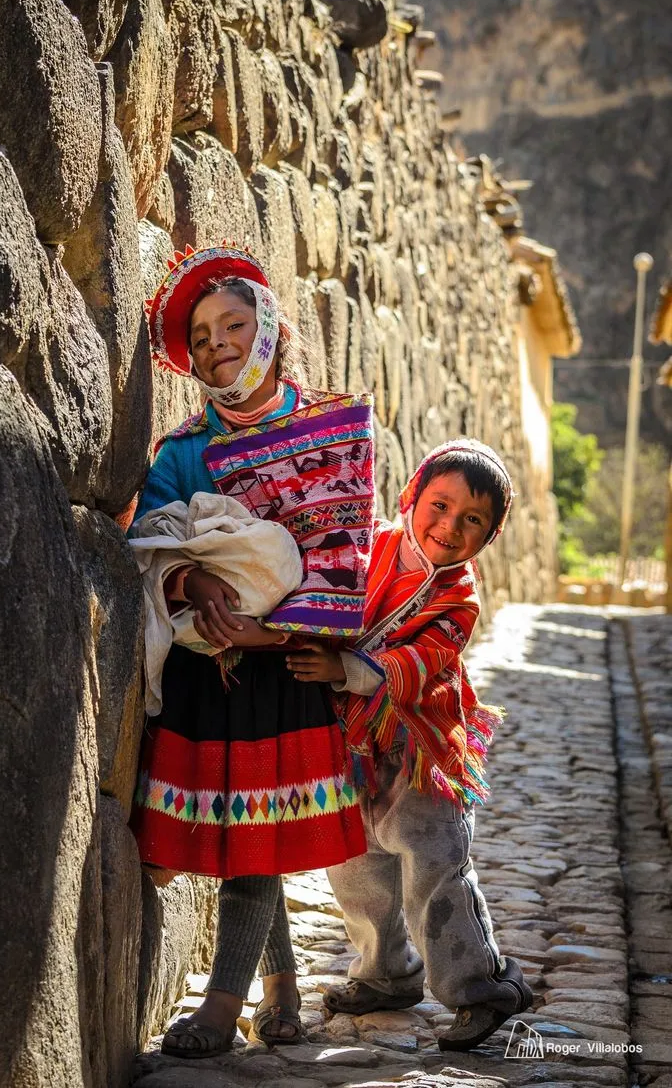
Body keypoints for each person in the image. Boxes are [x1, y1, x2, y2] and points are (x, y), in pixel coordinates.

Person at [130, 243, 372, 1059]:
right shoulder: (181, 450)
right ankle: (282, 986)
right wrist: (191, 583)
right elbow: (153, 539)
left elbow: (343, 550)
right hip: (213, 666)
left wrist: (274, 629)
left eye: (232, 322)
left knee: (255, 836)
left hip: (287, 663)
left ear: (268, 325)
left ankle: (221, 1001)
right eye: (199, 337)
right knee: (246, 832)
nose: (217, 343)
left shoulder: (329, 431)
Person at [286, 439, 533, 1052]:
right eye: (440, 505)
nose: (450, 527)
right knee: (354, 863)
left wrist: (344, 670)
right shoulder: (368, 548)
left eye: (472, 520)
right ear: (410, 496)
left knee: (434, 866)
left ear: (489, 535)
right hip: (352, 742)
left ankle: (484, 987)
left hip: (421, 747)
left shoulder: (459, 597)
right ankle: (386, 974)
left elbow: (426, 657)